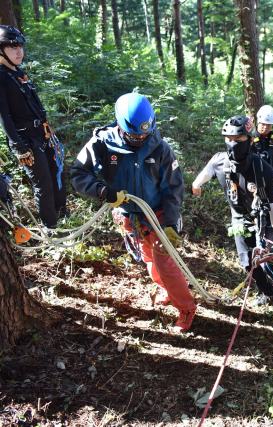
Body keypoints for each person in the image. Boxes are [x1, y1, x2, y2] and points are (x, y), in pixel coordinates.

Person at [71, 93, 197, 333]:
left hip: (157, 214)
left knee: (165, 262)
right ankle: (164, 289)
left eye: (144, 135)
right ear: (120, 126)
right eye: (134, 136)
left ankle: (186, 307)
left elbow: (173, 187)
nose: (140, 140)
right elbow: (79, 174)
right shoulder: (102, 143)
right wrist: (102, 191)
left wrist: (170, 222)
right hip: (127, 214)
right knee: (148, 257)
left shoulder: (160, 148)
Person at [192, 115, 273, 307]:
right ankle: (267, 292)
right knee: (247, 261)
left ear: (250, 140)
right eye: (228, 139)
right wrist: (196, 185)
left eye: (239, 140)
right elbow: (203, 176)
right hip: (240, 218)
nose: (233, 144)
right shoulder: (219, 161)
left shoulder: (265, 171)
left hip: (264, 216)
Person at [0, 25, 68, 230]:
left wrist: (48, 128)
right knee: (43, 183)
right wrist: (18, 145)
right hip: (25, 139)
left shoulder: (18, 73)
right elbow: (3, 117)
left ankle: (64, 216)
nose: (19, 51)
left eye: (20, 45)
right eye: (12, 46)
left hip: (42, 133)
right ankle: (51, 228)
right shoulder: (1, 76)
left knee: (57, 174)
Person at [251, 105, 273, 175]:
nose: (265, 127)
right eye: (263, 124)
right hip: (253, 175)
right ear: (258, 121)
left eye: (269, 125)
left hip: (271, 175)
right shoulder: (250, 137)